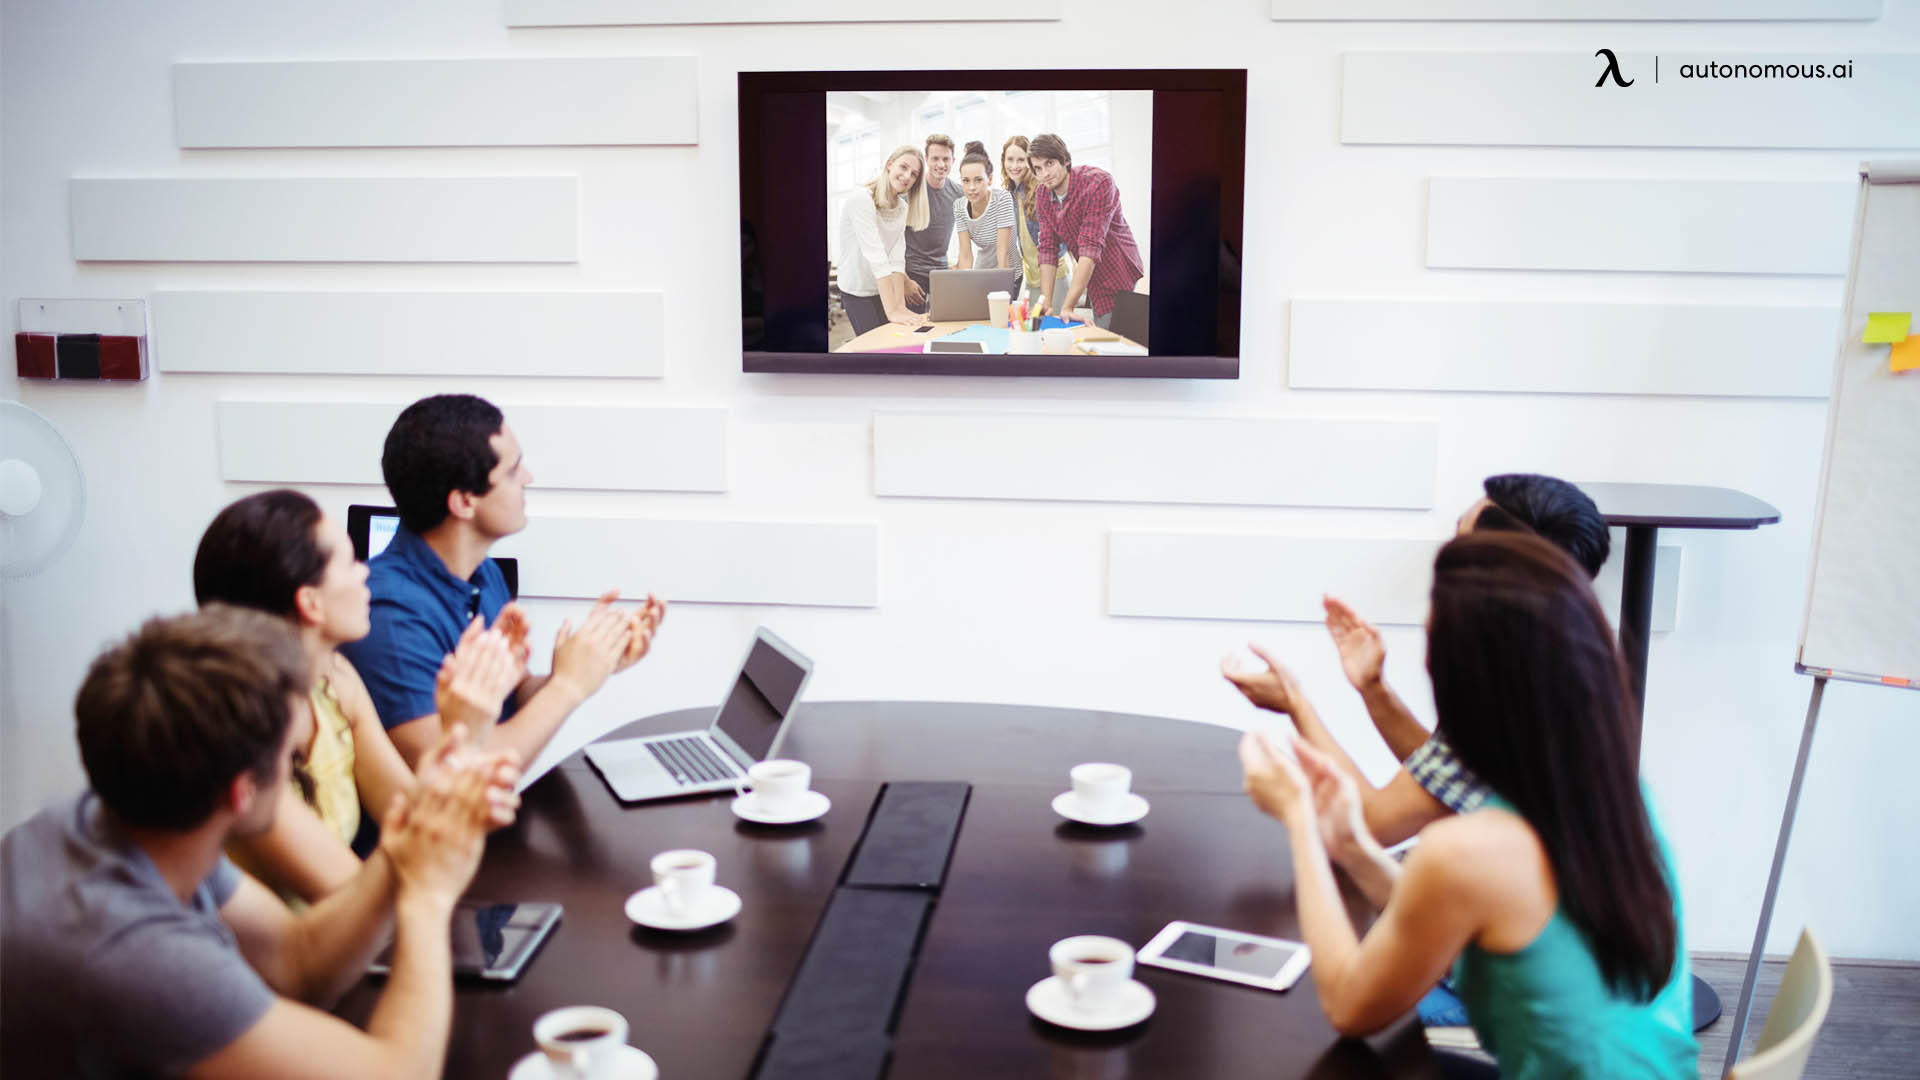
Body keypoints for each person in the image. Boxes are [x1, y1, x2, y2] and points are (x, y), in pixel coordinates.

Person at [1238, 532, 1697, 1077]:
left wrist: (1298, 821)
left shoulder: (1469, 851)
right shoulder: (1618, 797)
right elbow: (1459, 905)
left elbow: (1347, 1005)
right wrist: (1352, 848)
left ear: (1466, 686)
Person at [0, 605, 522, 1077]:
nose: (300, 763)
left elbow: (298, 962)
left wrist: (407, 842)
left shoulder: (113, 816)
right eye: (294, 760)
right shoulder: (138, 956)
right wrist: (426, 896)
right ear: (241, 792)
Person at [1223, 473, 1611, 847]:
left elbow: (1370, 826)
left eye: (1459, 544)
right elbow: (1452, 779)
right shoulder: (1556, 667)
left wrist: (1295, 704)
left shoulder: (1509, 701)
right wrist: (1373, 688)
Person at [193, 488, 521, 903]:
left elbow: (415, 824)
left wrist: (463, 729)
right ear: (310, 602)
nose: (367, 572)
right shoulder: (239, 736)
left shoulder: (337, 679)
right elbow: (354, 901)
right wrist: (462, 742)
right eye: (350, 563)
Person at [340, 394, 667, 770]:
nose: (528, 478)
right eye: (513, 472)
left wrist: (593, 660)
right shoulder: (390, 617)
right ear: (464, 502)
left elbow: (513, 697)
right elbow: (457, 771)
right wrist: (569, 685)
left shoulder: (482, 573)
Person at [1028, 132, 1144, 330]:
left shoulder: (1098, 183)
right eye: (1038, 168)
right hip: (1089, 275)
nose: (1044, 174)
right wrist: (1045, 301)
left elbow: (1089, 247)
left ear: (1065, 160)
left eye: (1049, 163)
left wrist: (1067, 306)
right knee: (1095, 336)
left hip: (1117, 271)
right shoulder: (1042, 194)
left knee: (1110, 339)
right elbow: (1047, 249)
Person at [836, 145, 930, 336]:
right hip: (857, 289)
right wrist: (892, 310)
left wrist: (900, 306)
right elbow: (876, 256)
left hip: (881, 289)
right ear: (889, 164)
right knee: (873, 345)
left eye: (913, 174)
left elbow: (896, 259)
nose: (907, 177)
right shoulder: (862, 199)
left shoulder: (902, 208)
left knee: (895, 337)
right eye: (903, 167)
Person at [1001, 135, 1071, 310]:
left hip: (1055, 275)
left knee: (1050, 329)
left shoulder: (1042, 189)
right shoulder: (1010, 193)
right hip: (1031, 277)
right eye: (1010, 159)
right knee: (1033, 330)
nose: (1014, 166)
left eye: (1021, 160)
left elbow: (1059, 236)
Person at [903, 133, 962, 314]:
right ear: (927, 160)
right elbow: (890, 243)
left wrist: (959, 266)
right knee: (914, 331)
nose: (941, 164)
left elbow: (970, 231)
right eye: (935, 158)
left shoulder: (959, 193)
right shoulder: (910, 191)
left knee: (944, 328)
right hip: (912, 274)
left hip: (942, 274)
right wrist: (904, 281)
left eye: (946, 159)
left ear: (953, 160)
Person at [952, 141, 1020, 294]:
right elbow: (966, 254)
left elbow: (1003, 251)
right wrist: (963, 287)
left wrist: (1003, 289)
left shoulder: (1002, 198)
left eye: (978, 180)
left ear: (989, 179)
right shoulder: (959, 206)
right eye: (966, 181)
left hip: (1008, 272)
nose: (971, 187)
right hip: (982, 272)